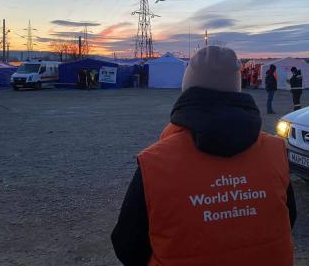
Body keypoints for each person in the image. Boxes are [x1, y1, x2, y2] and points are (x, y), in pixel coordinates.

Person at [111, 46, 296, 266]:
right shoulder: (275, 151)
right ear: (237, 88)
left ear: (187, 88)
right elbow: (287, 217)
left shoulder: (156, 163)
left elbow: (127, 244)